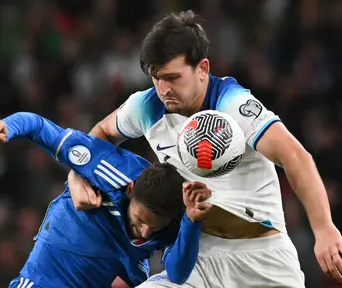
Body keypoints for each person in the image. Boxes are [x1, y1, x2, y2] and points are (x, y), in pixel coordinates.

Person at [67, 10, 342, 287]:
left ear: (203, 69)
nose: (163, 89)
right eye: (156, 77)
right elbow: (100, 133)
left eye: (173, 77)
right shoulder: (147, 106)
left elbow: (295, 157)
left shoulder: (233, 104)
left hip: (262, 261)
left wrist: (324, 229)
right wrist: (77, 176)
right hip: (200, 259)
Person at [0, 113, 213, 288]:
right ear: (130, 190)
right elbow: (38, 127)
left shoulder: (175, 215)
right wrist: (5, 126)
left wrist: (192, 223)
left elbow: (178, 273)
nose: (146, 232)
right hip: (45, 278)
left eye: (155, 226)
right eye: (140, 220)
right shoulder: (107, 166)